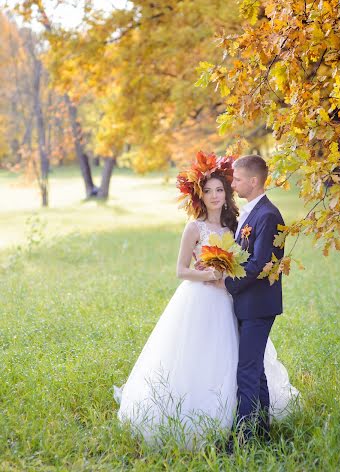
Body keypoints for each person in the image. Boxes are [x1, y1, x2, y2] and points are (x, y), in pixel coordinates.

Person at [114, 152, 299, 448]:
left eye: (223, 188)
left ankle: (249, 433)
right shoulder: (197, 227)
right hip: (206, 298)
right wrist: (211, 277)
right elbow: (181, 270)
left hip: (236, 299)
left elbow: (254, 262)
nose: (218, 194)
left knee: (244, 367)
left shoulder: (242, 221)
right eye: (209, 190)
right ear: (200, 195)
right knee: (211, 360)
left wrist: (224, 278)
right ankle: (241, 428)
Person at [214, 154, 287, 444]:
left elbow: (258, 263)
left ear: (254, 181)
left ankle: (244, 438)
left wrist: (228, 283)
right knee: (255, 372)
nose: (234, 183)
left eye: (238, 179)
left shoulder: (268, 216)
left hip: (258, 305)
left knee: (246, 370)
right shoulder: (251, 212)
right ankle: (262, 431)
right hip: (249, 303)